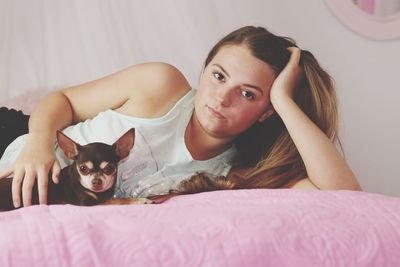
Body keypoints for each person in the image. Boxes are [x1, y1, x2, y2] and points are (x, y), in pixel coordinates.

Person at [0, 26, 362, 208]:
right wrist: (37, 145)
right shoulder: (160, 84)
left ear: (267, 111)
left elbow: (345, 197)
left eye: (248, 93)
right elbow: (61, 100)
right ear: (204, 70)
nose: (221, 97)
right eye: (218, 76)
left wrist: (284, 99)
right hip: (15, 141)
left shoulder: (237, 174)